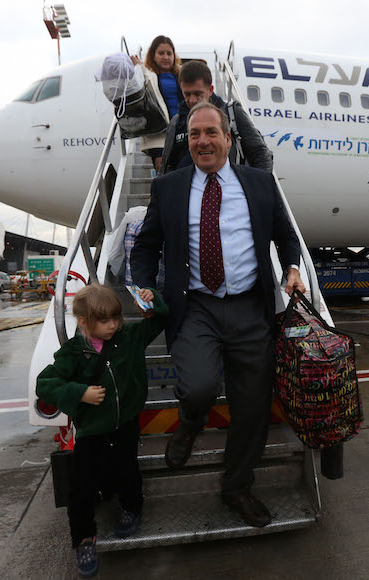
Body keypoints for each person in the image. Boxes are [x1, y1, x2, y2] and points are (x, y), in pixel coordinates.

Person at [130, 102, 305, 528]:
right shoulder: (169, 188)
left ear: (229, 138)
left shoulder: (260, 184)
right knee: (198, 388)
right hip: (196, 307)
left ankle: (237, 487)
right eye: (194, 135)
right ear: (186, 141)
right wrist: (144, 284)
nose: (203, 141)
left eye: (211, 133)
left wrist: (293, 268)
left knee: (251, 408)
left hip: (250, 307)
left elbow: (285, 235)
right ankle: (189, 423)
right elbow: (146, 244)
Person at [36, 283, 169, 577]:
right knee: (81, 487)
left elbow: (161, 318)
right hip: (92, 430)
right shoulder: (73, 352)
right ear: (83, 321)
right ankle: (84, 539)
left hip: (126, 424)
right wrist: (79, 393)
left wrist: (153, 299)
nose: (113, 326)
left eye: (116, 319)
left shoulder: (130, 337)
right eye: (105, 321)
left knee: (127, 471)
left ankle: (132, 509)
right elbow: (45, 384)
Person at [159, 60, 273, 175]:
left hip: (226, 189)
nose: (192, 100)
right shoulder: (176, 122)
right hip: (186, 190)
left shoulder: (231, 114)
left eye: (198, 94)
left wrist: (259, 187)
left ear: (210, 90)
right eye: (187, 94)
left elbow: (260, 154)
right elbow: (167, 165)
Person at [130, 35, 184, 173]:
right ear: (153, 55)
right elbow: (135, 85)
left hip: (181, 128)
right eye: (161, 53)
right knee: (162, 169)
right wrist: (136, 67)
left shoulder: (181, 74)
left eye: (169, 53)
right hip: (159, 132)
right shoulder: (148, 75)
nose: (166, 57)